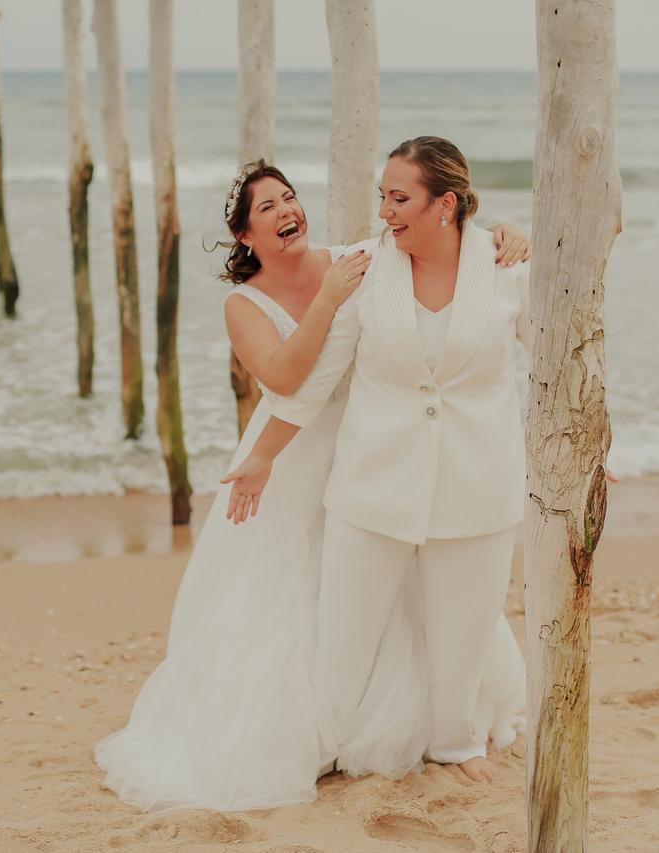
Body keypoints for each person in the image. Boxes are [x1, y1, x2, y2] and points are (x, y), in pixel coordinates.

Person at [94, 160, 529, 811]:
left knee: (423, 593)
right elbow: (292, 380)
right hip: (303, 449)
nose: (283, 210)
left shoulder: (354, 257)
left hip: (385, 441)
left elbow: (432, 254)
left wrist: (499, 232)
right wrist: (325, 303)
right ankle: (327, 727)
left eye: (288, 197)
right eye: (265, 207)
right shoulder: (249, 302)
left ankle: (441, 727)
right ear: (245, 235)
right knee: (306, 595)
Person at [223, 137, 534, 783]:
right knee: (345, 639)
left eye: (400, 198)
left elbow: (562, 359)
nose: (386, 212)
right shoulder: (365, 267)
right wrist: (262, 458)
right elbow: (312, 382)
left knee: (463, 632)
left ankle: (457, 742)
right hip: (372, 485)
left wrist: (596, 445)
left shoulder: (505, 267)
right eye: (382, 197)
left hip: (478, 484)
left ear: (444, 203)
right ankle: (326, 744)